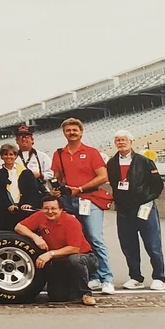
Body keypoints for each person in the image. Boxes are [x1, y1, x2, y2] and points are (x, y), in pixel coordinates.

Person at [51, 117, 115, 295]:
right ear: (64, 133)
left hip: (90, 198)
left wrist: (79, 188)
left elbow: (103, 176)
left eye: (75, 130)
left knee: (95, 237)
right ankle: (92, 275)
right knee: (80, 241)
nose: (72, 133)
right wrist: (57, 191)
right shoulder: (59, 154)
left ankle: (106, 277)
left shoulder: (91, 152)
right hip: (69, 202)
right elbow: (57, 178)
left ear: (81, 131)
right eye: (68, 130)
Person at [107, 130, 165, 290]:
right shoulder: (112, 163)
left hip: (144, 207)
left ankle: (159, 277)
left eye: (124, 140)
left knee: (152, 243)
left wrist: (148, 200)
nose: (121, 143)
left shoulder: (144, 161)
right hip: (124, 210)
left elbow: (157, 185)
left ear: (131, 142)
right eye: (118, 140)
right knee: (128, 244)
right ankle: (135, 276)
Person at [14, 196, 98, 306]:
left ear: (61, 209)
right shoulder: (40, 216)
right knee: (57, 296)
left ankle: (85, 293)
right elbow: (18, 227)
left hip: (84, 257)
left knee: (75, 260)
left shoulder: (70, 221)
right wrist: (35, 237)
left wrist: (50, 254)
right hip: (59, 260)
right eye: (46, 208)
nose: (50, 212)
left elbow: (74, 248)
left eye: (53, 208)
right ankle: (70, 286)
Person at [0, 142, 42, 231]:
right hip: (6, 211)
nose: (8, 157)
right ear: (1, 156)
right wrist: (8, 205)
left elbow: (33, 190)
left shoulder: (26, 172)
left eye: (11, 154)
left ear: (15, 156)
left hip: (23, 209)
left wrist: (29, 203)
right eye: (5, 154)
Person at [15, 124, 53, 189]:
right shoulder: (12, 158)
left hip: (39, 192)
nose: (24, 139)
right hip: (19, 192)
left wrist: (40, 175)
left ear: (32, 140)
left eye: (27, 137)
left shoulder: (43, 156)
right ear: (16, 141)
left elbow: (51, 174)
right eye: (20, 137)